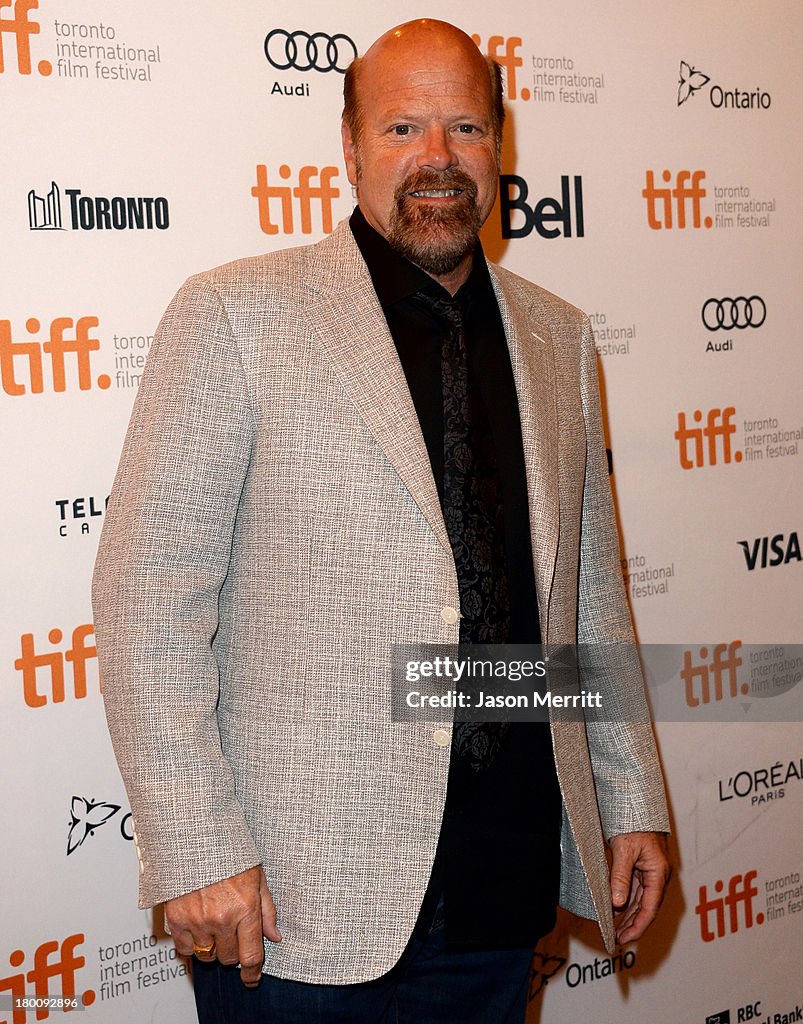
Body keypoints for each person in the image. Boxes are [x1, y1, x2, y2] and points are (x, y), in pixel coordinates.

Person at [92, 18, 671, 1024]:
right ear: (350, 148)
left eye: (464, 128)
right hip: (291, 908)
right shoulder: (236, 313)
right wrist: (197, 844)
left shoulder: (557, 337)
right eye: (402, 127)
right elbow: (147, 595)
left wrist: (627, 800)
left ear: (499, 148)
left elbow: (588, 598)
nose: (436, 158)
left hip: (502, 887)